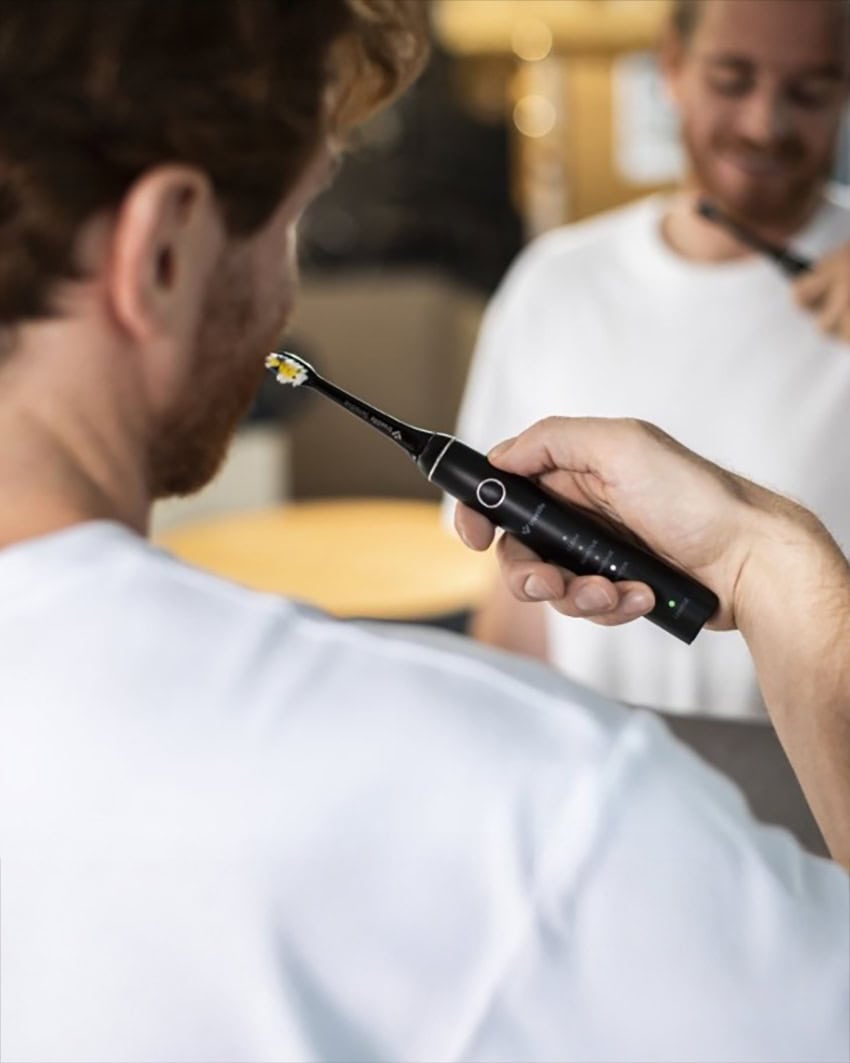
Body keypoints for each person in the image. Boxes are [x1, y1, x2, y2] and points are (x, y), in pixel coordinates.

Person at [0, 3, 847, 1061]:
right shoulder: (537, 803)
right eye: (291, 223)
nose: (285, 293)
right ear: (165, 250)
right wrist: (775, 563)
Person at [453, 0, 850, 719]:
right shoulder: (554, 283)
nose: (765, 123)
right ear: (672, 67)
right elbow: (513, 597)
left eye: (810, 91)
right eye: (732, 80)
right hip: (601, 763)